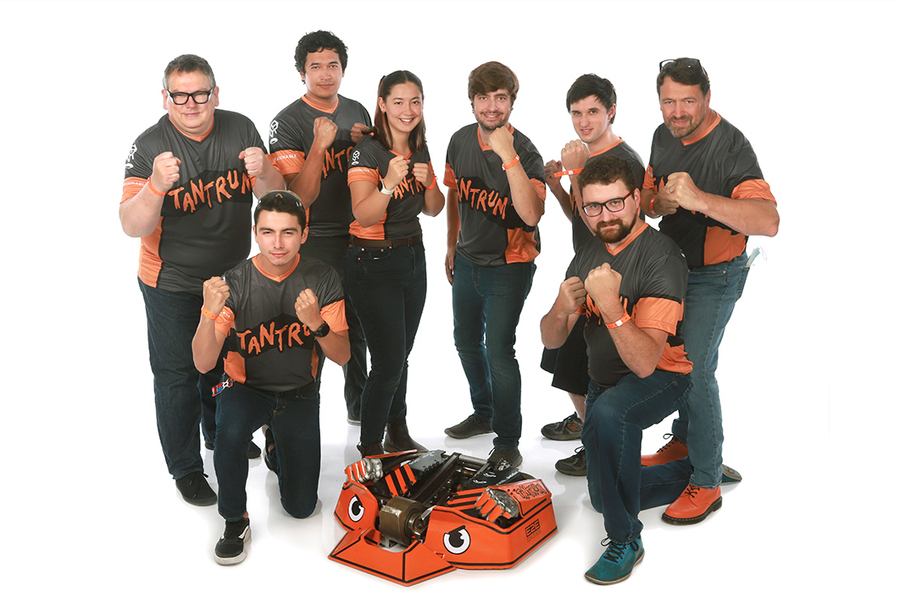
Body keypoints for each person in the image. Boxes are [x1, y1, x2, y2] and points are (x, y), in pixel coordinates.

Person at [120, 54, 283, 506]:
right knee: (176, 375)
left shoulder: (240, 128)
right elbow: (131, 224)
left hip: (229, 276)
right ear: (166, 97)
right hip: (169, 280)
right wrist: (155, 185)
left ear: (216, 93)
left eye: (200, 94)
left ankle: (216, 433)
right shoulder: (149, 145)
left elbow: (274, 196)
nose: (191, 104)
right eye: (180, 95)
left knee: (223, 361)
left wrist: (265, 169)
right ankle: (186, 468)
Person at [540, 155, 693, 584]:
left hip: (663, 376)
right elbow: (552, 339)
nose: (605, 216)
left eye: (615, 204)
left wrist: (608, 303)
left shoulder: (662, 258)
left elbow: (645, 363)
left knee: (609, 416)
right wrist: (560, 306)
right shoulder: (589, 248)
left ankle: (626, 540)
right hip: (606, 379)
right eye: (593, 207)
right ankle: (695, 470)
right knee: (603, 496)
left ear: (636, 199)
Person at [639, 58, 779, 524]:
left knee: (695, 371)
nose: (677, 111)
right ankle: (685, 441)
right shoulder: (664, 133)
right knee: (679, 363)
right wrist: (658, 202)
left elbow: (768, 220)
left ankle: (706, 480)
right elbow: (650, 200)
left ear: (707, 98)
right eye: (668, 101)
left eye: (688, 101)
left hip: (715, 276)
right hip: (672, 271)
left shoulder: (731, 146)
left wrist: (699, 200)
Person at [192, 190, 350, 565]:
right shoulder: (235, 282)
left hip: (298, 392)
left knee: (302, 508)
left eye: (288, 233)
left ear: (304, 234)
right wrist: (207, 313)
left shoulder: (323, 278)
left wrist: (317, 325)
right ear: (255, 233)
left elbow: (342, 356)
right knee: (228, 434)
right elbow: (202, 363)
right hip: (245, 389)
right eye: (267, 232)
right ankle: (234, 520)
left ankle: (276, 444)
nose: (277, 243)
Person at [540, 74, 645, 477]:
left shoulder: (625, 161)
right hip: (584, 266)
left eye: (593, 112)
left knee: (583, 363)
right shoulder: (582, 157)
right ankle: (587, 424)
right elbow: (580, 216)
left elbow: (611, 226)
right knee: (564, 356)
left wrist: (576, 173)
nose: (583, 122)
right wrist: (557, 183)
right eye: (576, 113)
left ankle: (595, 438)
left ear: (611, 111)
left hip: (611, 276)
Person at [443, 61, 546, 469]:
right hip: (467, 261)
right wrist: (451, 243)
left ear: (511, 104)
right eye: (483, 98)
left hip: (510, 264)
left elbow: (532, 214)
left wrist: (509, 158)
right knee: (466, 341)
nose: (491, 107)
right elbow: (454, 193)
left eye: (500, 98)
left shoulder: (527, 152)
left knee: (500, 352)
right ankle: (483, 412)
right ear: (472, 103)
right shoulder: (459, 140)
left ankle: (507, 439)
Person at [269, 30, 371, 424]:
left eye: (333, 66)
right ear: (301, 73)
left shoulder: (358, 110)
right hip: (313, 241)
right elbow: (299, 198)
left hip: (359, 234)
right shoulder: (287, 121)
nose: (325, 74)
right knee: (310, 327)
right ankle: (295, 413)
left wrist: (368, 143)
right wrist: (319, 145)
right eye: (316, 67)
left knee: (358, 324)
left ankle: (361, 411)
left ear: (343, 69)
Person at [346, 71, 445, 457]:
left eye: (415, 101)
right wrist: (387, 183)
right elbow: (364, 214)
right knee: (387, 361)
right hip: (372, 260)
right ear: (382, 104)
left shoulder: (420, 148)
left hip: (412, 257)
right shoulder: (366, 151)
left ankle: (397, 431)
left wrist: (429, 182)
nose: (408, 110)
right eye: (399, 102)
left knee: (399, 354)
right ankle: (370, 446)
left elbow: (434, 209)